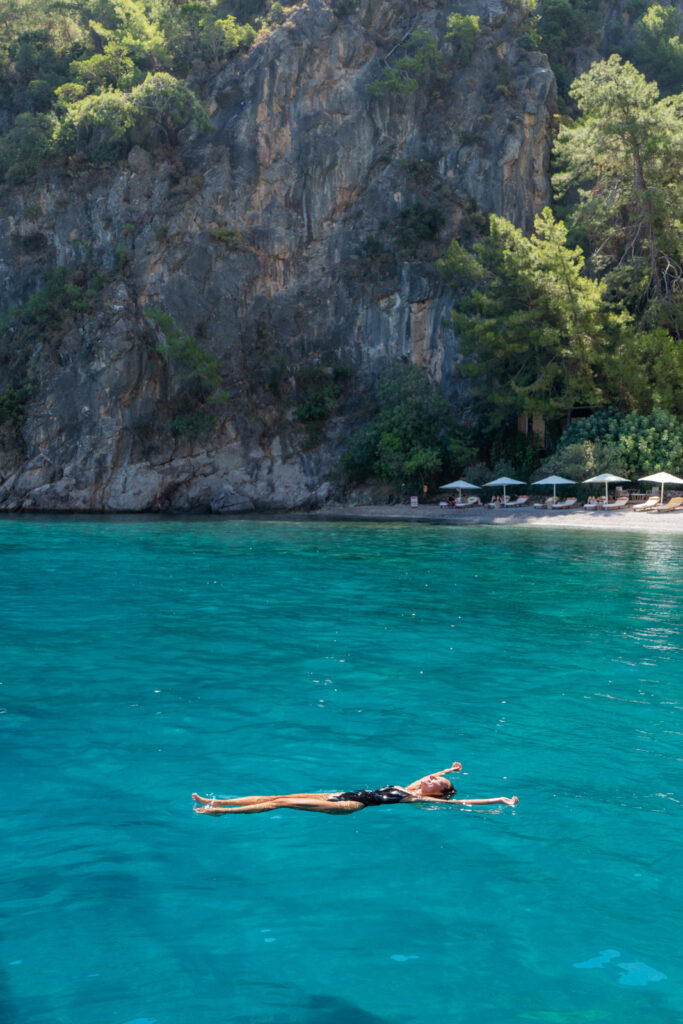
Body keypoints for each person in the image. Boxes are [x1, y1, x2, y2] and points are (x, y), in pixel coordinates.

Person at [192, 762, 518, 816]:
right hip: (345, 791)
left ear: (438, 793)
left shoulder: (417, 797)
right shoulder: (413, 786)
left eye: (438, 783)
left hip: (351, 806)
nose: (430, 780)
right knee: (276, 795)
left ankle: (220, 812)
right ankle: (218, 801)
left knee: (282, 803)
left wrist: (501, 798)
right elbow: (429, 773)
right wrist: (448, 770)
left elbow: (466, 802)